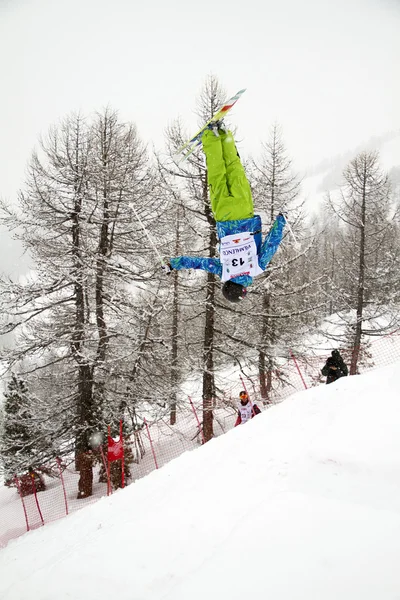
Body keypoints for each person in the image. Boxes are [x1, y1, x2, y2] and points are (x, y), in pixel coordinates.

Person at [164, 125, 286, 302]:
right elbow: (198, 263)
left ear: (242, 287)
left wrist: (281, 221)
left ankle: (224, 135)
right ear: (228, 285)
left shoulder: (256, 267)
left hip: (244, 211)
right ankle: (211, 137)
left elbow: (272, 244)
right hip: (224, 215)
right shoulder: (224, 271)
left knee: (235, 171)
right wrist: (173, 264)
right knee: (217, 177)